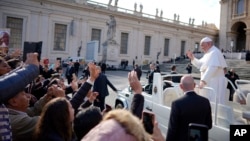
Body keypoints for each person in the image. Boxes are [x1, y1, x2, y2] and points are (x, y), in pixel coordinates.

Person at [0, 53, 39, 141]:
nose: (28, 96)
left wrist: (24, 68)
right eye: (23, 94)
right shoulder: (15, 121)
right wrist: (32, 68)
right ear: (13, 102)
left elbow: (6, 81)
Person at [166, 75, 212, 141]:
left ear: (181, 86)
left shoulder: (177, 104)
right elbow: (209, 125)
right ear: (194, 85)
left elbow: (172, 129)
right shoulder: (205, 101)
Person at [186, 37, 227, 104]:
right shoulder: (208, 53)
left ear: (208, 44)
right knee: (207, 101)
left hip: (215, 82)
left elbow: (212, 68)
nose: (201, 47)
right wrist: (192, 58)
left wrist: (203, 81)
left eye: (202, 45)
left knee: (213, 102)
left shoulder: (214, 52)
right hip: (209, 82)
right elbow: (200, 64)